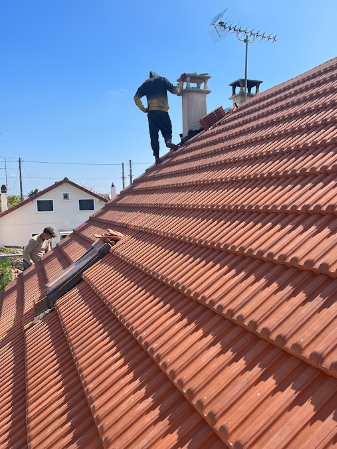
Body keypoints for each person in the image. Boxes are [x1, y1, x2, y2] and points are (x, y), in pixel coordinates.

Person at [134, 71, 185, 165]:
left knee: (154, 135)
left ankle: (157, 157)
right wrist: (181, 81)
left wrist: (143, 109)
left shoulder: (146, 84)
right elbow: (175, 90)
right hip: (163, 110)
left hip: (151, 112)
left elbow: (136, 98)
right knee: (167, 128)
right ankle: (168, 141)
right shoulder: (162, 80)